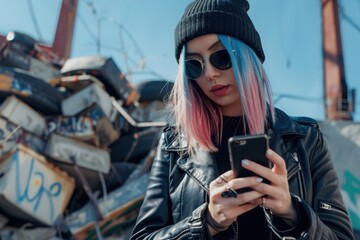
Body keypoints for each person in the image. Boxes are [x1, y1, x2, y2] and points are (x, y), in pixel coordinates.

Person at [130, 0, 355, 239]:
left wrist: (293, 212)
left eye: (221, 56)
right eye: (194, 65)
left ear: (248, 57)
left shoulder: (305, 139)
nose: (210, 74)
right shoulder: (174, 145)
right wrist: (206, 222)